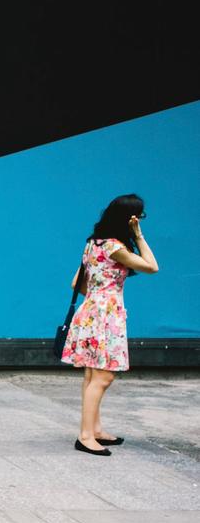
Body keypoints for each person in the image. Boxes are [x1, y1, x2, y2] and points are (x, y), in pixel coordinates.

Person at [61, 194, 159, 456]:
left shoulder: (93, 243)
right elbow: (152, 267)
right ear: (130, 219)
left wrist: (98, 296)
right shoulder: (115, 247)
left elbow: (76, 284)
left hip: (90, 312)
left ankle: (93, 430)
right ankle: (85, 436)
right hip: (107, 317)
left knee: (92, 376)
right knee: (104, 377)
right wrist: (139, 236)